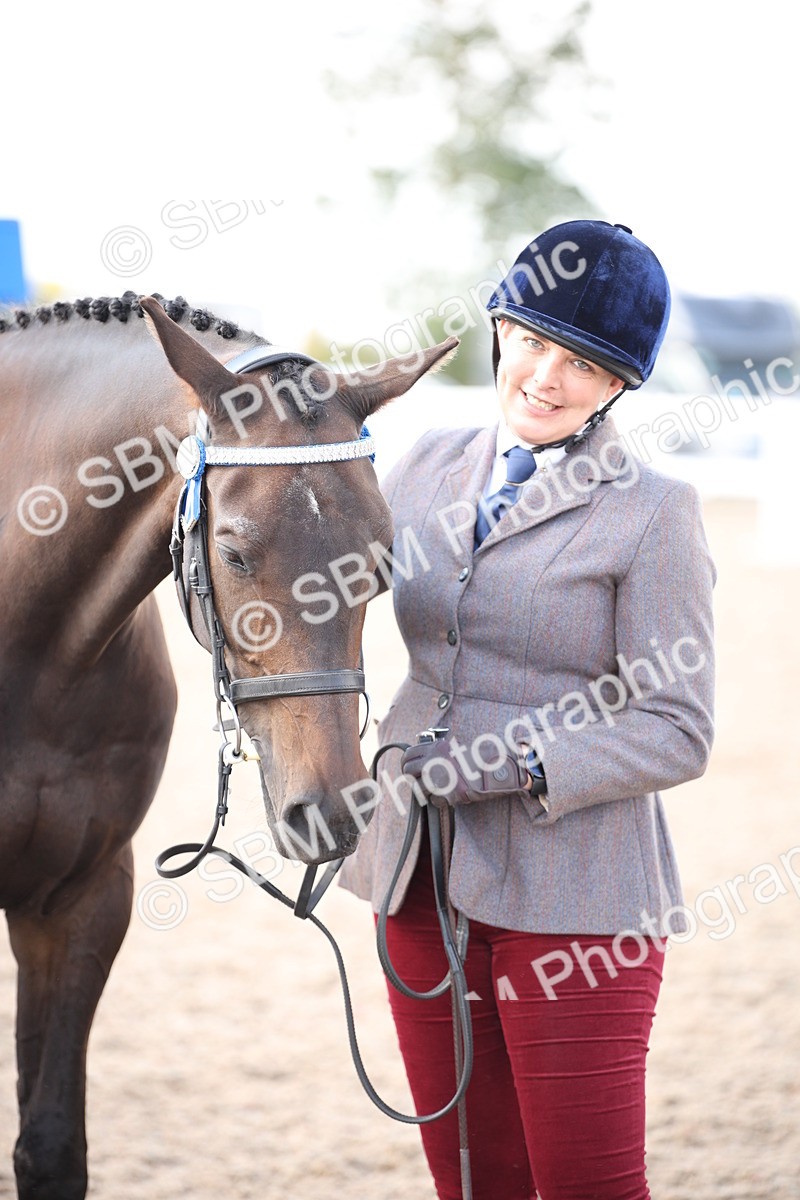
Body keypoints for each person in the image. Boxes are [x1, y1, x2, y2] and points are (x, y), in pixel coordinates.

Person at [339, 220, 715, 1200]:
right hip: (416, 882)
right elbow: (323, 593)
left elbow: (676, 726)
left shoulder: (651, 511)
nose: (545, 377)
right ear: (500, 330)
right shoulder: (422, 461)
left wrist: (505, 766)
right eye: (533, 341)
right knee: (471, 1180)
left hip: (577, 901)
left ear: (620, 383)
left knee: (583, 1187)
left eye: (582, 363)